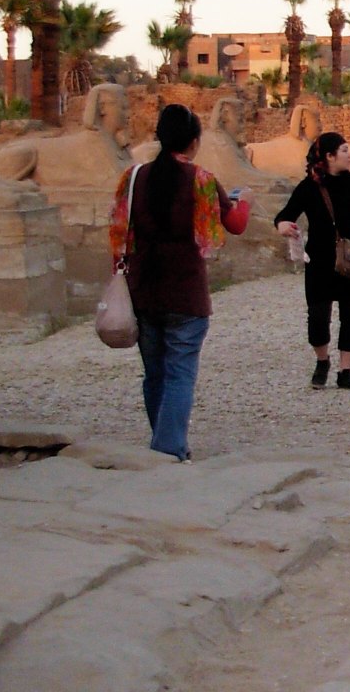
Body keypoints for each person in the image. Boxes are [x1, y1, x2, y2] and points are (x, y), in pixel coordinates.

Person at [108, 104, 251, 462]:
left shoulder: (133, 178)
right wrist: (243, 203)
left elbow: (118, 230)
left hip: (143, 288)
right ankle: (168, 447)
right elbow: (232, 225)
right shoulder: (201, 180)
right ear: (193, 141)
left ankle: (162, 438)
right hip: (185, 291)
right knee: (180, 373)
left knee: (154, 372)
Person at [274, 132, 350, 390]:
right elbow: (285, 214)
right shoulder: (309, 187)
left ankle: (345, 371)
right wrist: (283, 225)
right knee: (317, 315)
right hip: (319, 259)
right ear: (329, 156)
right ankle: (322, 360)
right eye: (344, 150)